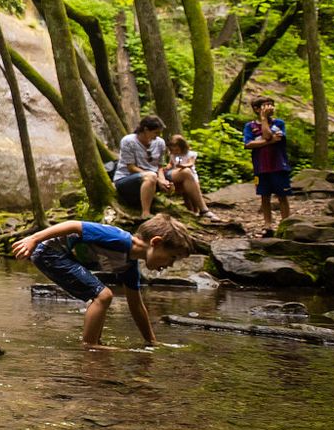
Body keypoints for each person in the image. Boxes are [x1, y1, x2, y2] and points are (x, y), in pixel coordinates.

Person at [12, 215, 195, 348]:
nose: (170, 264)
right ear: (156, 242)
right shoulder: (120, 238)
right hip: (49, 251)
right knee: (103, 295)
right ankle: (90, 346)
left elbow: (137, 306)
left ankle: (95, 342)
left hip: (58, 255)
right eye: (172, 257)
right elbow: (74, 225)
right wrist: (33, 239)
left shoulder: (128, 266)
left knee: (101, 295)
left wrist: (152, 342)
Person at [243, 97, 293, 236]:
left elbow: (270, 136)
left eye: (271, 105)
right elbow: (248, 144)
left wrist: (264, 123)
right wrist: (268, 141)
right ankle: (268, 225)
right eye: (266, 106)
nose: (270, 107)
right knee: (264, 196)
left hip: (279, 165)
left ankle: (286, 224)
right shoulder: (250, 126)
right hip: (261, 167)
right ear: (257, 109)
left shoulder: (279, 123)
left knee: (282, 195)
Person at [111, 114, 171, 218]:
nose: (157, 136)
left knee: (184, 173)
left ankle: (202, 210)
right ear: (146, 129)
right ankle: (145, 213)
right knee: (151, 176)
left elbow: (160, 166)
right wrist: (156, 178)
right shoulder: (128, 141)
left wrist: (163, 180)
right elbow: (131, 167)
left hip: (154, 177)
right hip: (127, 179)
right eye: (155, 133)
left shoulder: (160, 143)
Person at [164, 133, 210, 218]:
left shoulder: (190, 154)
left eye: (177, 150)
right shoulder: (173, 155)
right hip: (179, 175)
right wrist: (167, 167)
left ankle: (197, 210)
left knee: (193, 194)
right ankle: (190, 211)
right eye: (173, 150)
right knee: (185, 195)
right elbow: (170, 164)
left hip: (191, 176)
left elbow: (190, 163)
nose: (175, 152)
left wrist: (183, 166)